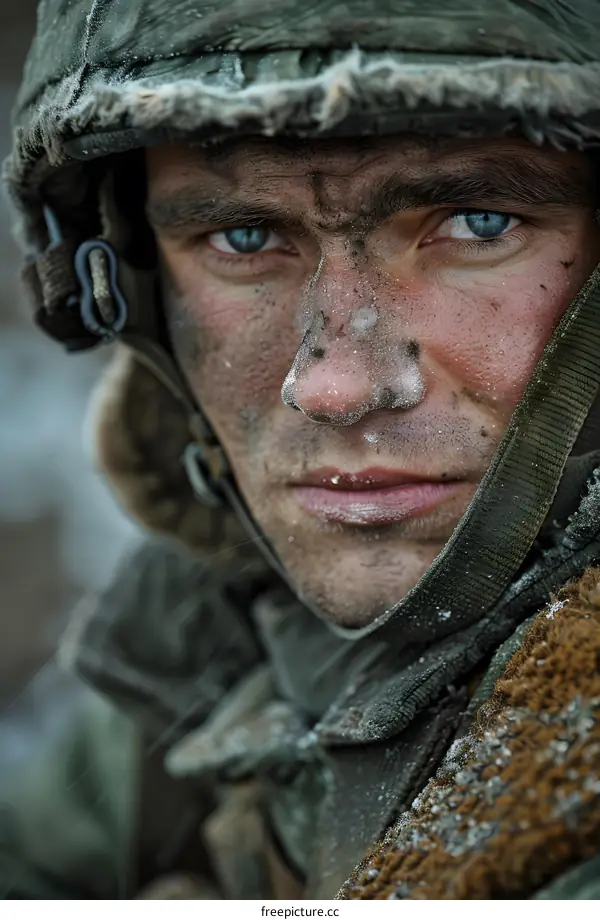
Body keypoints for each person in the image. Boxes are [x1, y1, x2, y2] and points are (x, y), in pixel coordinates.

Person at [3, 0, 600, 901]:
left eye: (479, 222)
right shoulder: (208, 634)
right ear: (130, 287)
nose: (338, 385)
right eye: (244, 237)